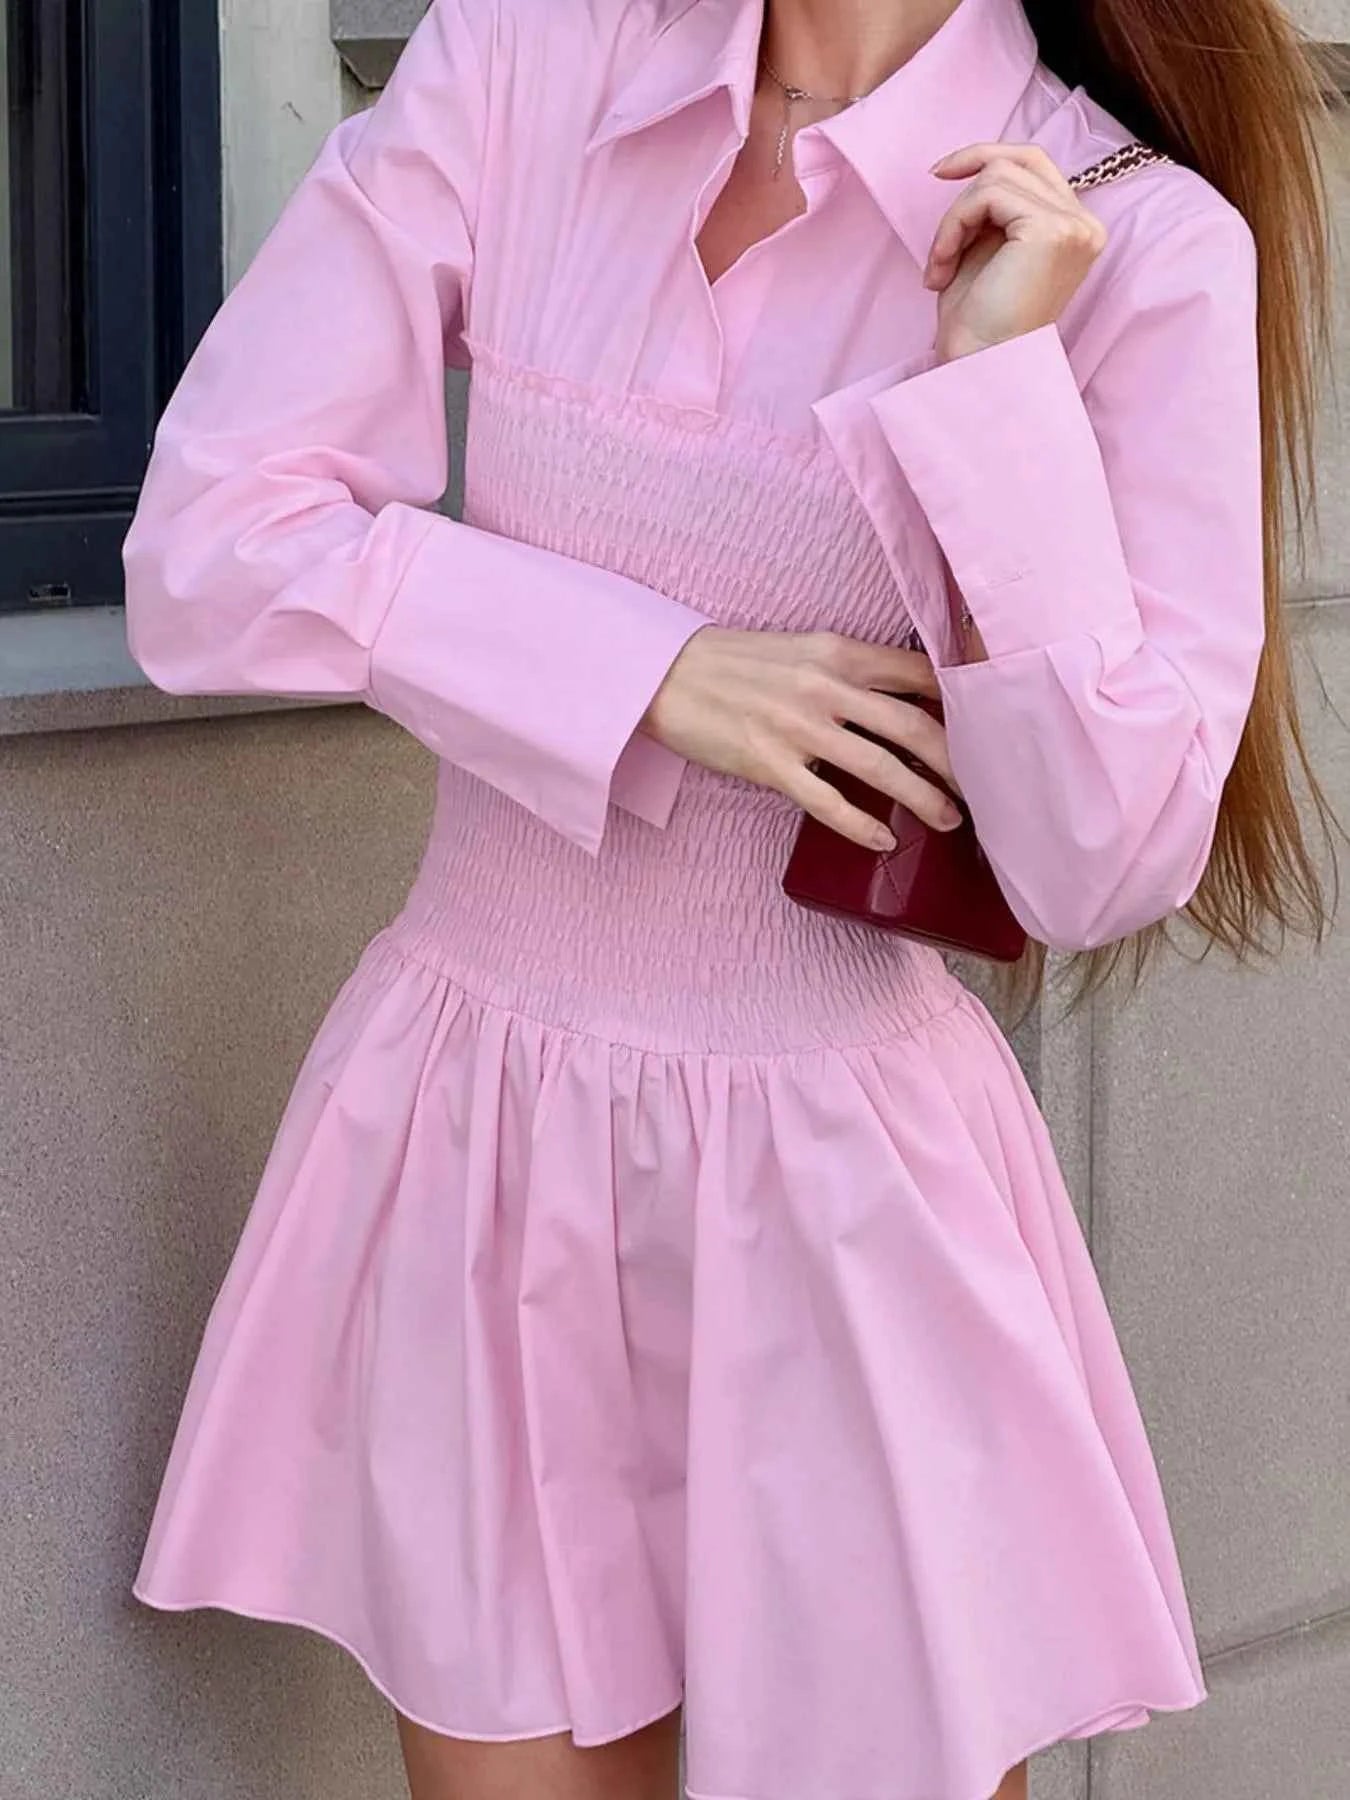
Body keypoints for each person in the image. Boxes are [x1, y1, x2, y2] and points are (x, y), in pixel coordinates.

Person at [119, 0, 1340, 1796]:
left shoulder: (1128, 233)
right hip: (480, 1141)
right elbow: (211, 550)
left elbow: (1104, 855)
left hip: (842, 1208)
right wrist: (646, 671)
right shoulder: (523, 61)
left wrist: (988, 391)